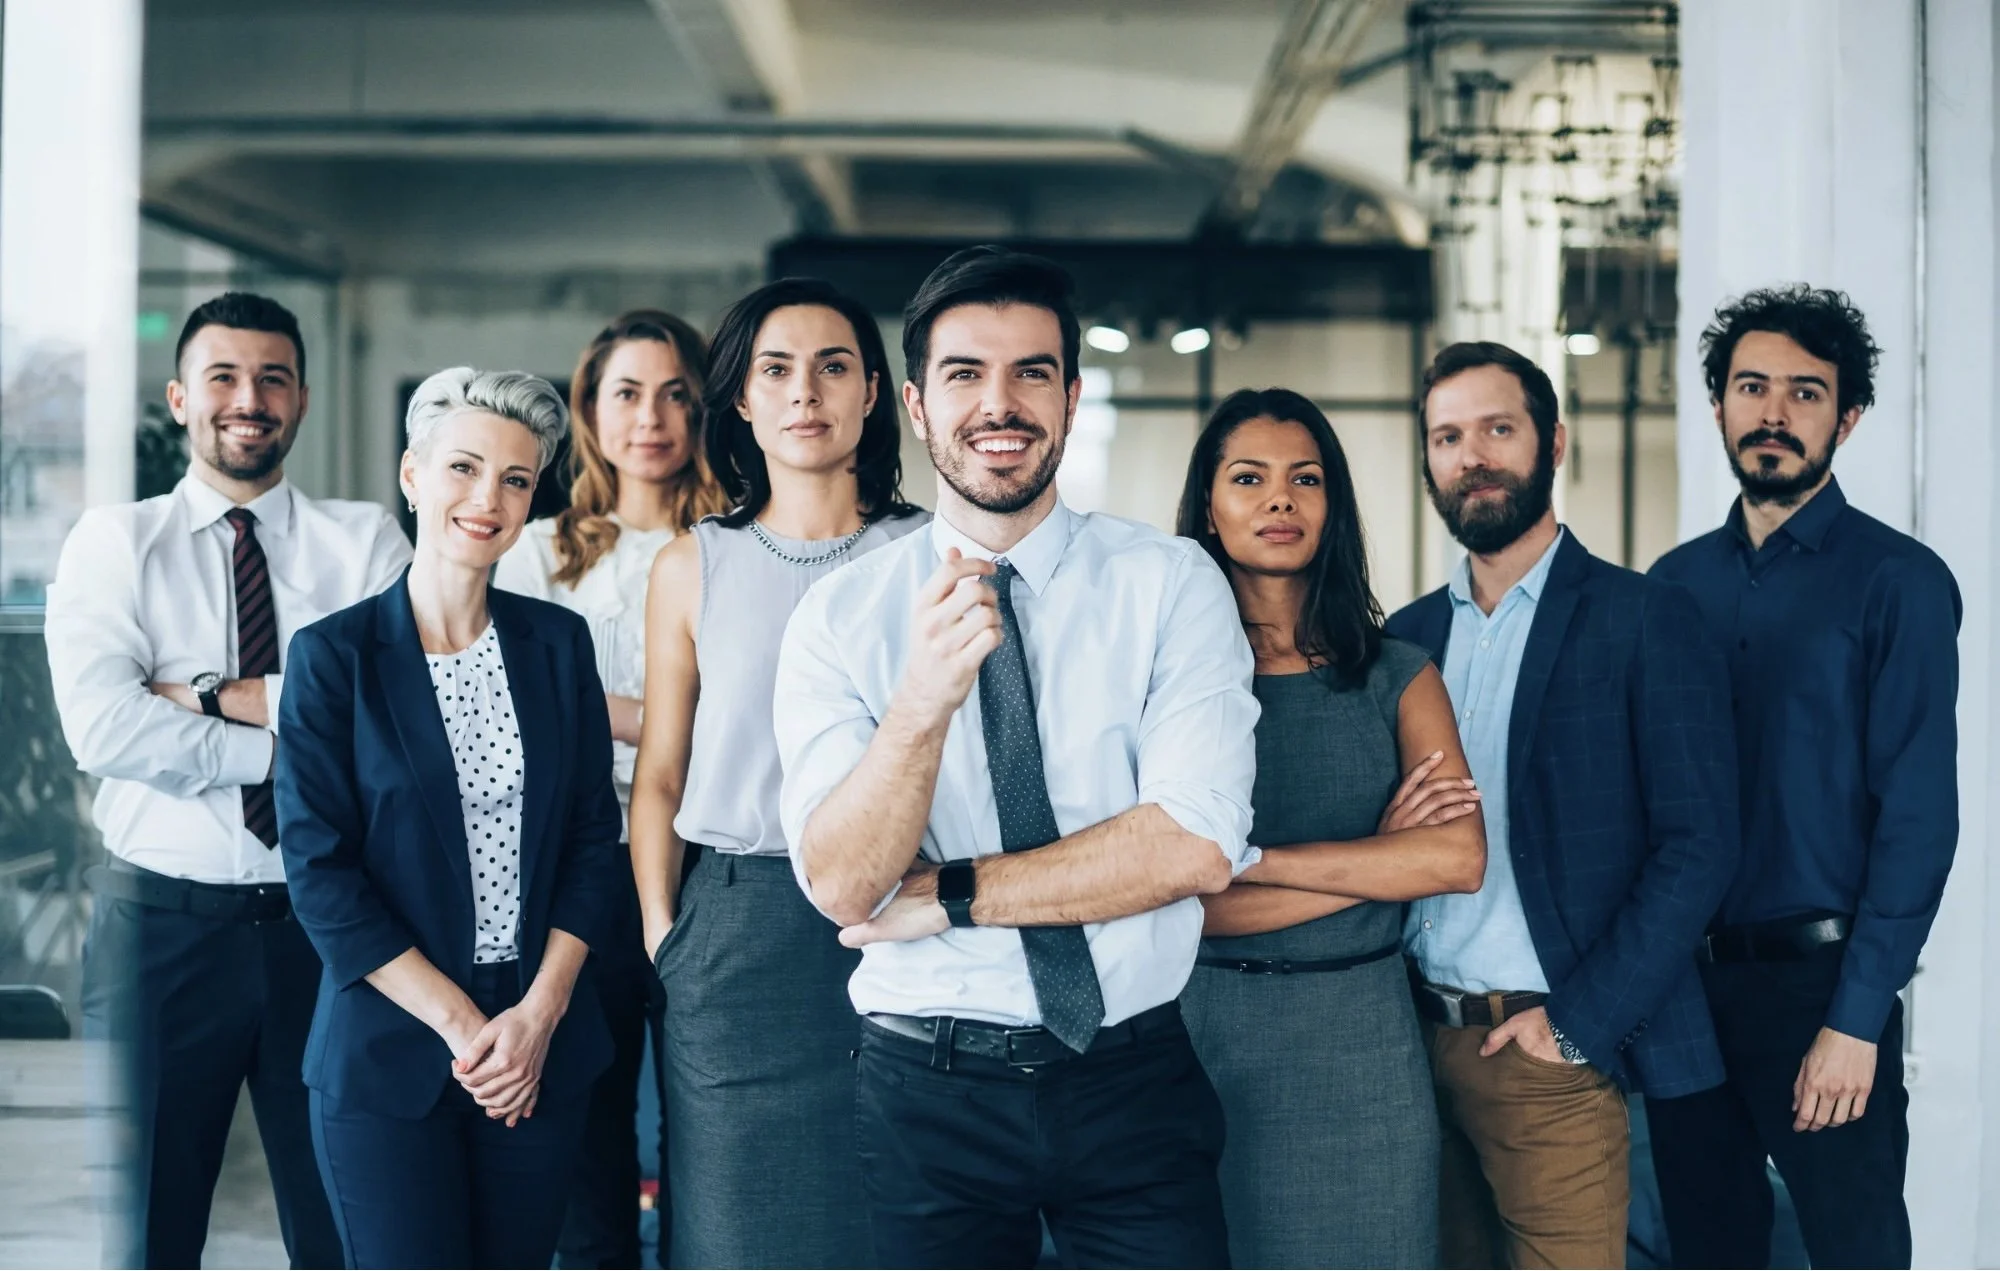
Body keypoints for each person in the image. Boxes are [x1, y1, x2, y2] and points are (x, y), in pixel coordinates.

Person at [773, 246, 1259, 1269]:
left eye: (1031, 372)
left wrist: (951, 892)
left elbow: (1193, 843)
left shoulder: (1170, 583)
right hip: (926, 1090)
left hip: (1131, 1074)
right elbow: (843, 883)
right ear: (912, 403)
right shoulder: (840, 617)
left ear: (1071, 397)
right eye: (964, 374)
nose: (1000, 403)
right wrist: (919, 704)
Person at [45, 292, 407, 1269]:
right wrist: (297, 741)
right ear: (179, 397)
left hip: (332, 934)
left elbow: (399, 724)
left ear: (302, 398)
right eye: (223, 376)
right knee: (147, 1235)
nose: (249, 398)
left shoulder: (365, 542)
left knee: (346, 1227)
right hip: (159, 939)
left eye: (273, 377)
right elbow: (104, 727)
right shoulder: (114, 542)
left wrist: (202, 696)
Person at [1383, 341, 1741, 1269]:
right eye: (1448, 436)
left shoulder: (1645, 617)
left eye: (1498, 428)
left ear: (1554, 443)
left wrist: (1577, 1024)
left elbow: (1698, 845)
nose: (1474, 455)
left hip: (1548, 1050)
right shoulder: (1403, 641)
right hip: (1416, 1045)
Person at [273, 368, 625, 1269]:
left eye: (515, 478)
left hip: (540, 1044)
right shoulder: (331, 658)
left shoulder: (556, 644)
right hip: (393, 1051)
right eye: (463, 467)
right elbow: (321, 874)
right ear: (412, 474)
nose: (487, 497)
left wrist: (537, 1018)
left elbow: (593, 841)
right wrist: (470, 1030)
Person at [1645, 287, 1961, 1271]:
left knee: (1851, 1252)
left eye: (1803, 392)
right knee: (1708, 1252)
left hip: (1817, 989)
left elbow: (1917, 815)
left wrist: (1855, 1019)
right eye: (1750, 386)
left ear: (1846, 416)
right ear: (1717, 407)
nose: (1772, 412)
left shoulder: (1896, 581)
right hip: (1683, 994)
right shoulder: (1668, 584)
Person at [629, 277, 926, 1268]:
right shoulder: (691, 563)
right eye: (776, 369)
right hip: (734, 928)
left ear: (873, 393)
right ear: (742, 401)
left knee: (890, 1213)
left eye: (834, 365)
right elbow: (661, 773)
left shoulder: (931, 553)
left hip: (899, 915)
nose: (807, 391)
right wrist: (665, 935)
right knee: (733, 1228)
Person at [1172, 387, 1486, 1269]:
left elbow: (1457, 858)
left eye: (1305, 479)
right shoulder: (1166, 684)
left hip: (1362, 1050)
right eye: (1250, 478)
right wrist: (1382, 861)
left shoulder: (1397, 673)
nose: (1281, 499)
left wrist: (1251, 864)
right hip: (1199, 1039)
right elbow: (1174, 907)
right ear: (1210, 503)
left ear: (1332, 503)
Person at [492, 309, 727, 1268]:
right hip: (578, 861)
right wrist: (667, 714)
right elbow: (506, 707)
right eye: (628, 392)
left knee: (707, 1121)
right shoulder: (535, 551)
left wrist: (594, 703)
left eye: (677, 392)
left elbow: (759, 721)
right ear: (590, 409)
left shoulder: (738, 549)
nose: (653, 417)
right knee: (588, 1123)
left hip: (708, 854)